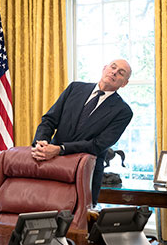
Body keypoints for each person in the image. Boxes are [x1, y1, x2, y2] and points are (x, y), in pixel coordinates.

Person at [31, 59, 133, 205]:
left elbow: (98, 145)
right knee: (43, 215)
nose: (114, 72)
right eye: (113, 67)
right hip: (52, 165)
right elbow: (49, 119)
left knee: (78, 223)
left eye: (121, 73)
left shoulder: (123, 111)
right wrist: (41, 143)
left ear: (124, 83)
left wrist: (60, 149)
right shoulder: (75, 88)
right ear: (104, 68)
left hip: (86, 173)